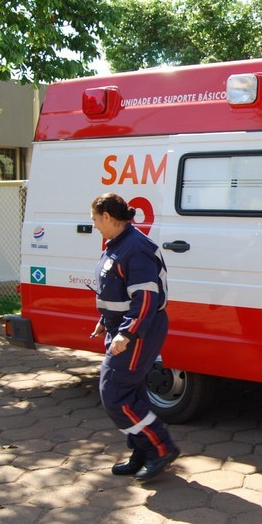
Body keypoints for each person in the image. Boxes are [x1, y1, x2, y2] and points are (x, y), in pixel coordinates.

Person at [90, 193, 179, 482]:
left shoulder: (136, 248)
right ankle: (142, 452)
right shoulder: (118, 243)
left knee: (114, 393)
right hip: (121, 328)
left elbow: (145, 299)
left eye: (94, 219)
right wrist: (106, 321)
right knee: (132, 393)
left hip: (140, 329)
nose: (93, 225)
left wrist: (128, 332)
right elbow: (116, 290)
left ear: (106, 216)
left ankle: (160, 447)